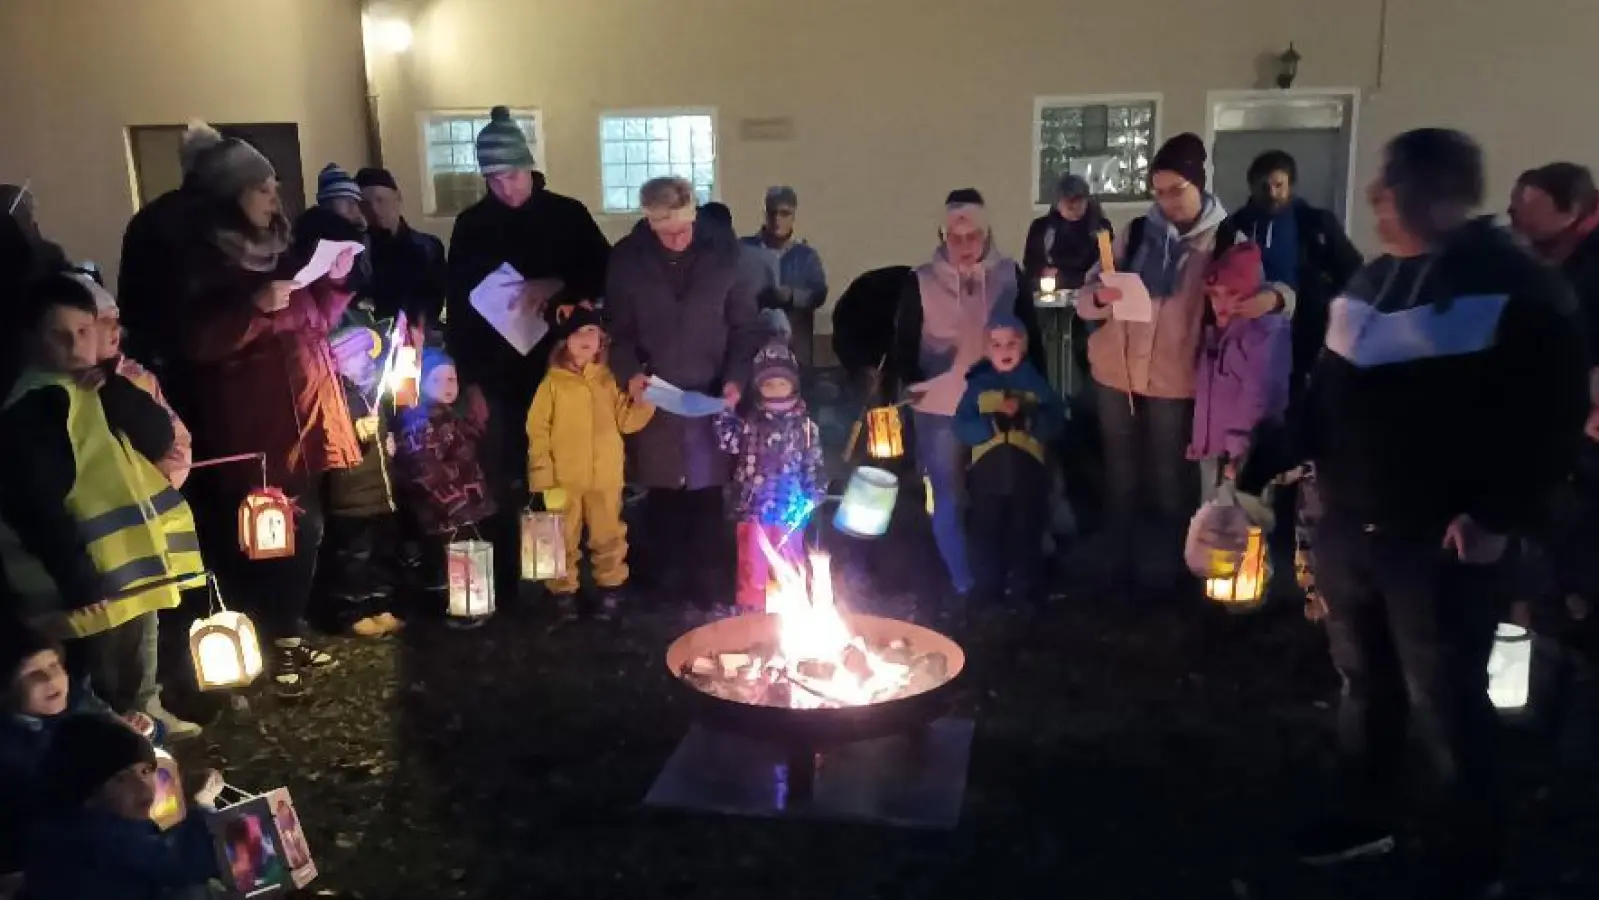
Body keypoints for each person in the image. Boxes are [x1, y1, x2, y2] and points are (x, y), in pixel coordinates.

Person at [1241, 129, 1588, 898]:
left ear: (1434, 194)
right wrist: (1258, 467)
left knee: (1445, 694)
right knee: (1363, 680)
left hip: (1439, 541)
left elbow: (1550, 416)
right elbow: (1327, 398)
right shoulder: (1372, 280)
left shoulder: (1513, 288)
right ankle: (1366, 816)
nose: (1372, 198)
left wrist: (1496, 514)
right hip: (1351, 528)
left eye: (1386, 185)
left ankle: (1472, 854)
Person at [174, 124, 359, 696]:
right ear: (233, 197)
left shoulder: (283, 251)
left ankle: (287, 630)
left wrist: (334, 282)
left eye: (274, 187)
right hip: (254, 419)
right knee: (266, 531)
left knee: (309, 526)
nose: (275, 198)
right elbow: (196, 343)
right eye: (261, 189)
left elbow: (314, 322)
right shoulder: (204, 260)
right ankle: (266, 634)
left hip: (307, 407)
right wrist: (253, 309)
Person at [1076, 133, 1293, 596]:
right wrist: (1098, 296)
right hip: (1117, 374)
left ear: (1200, 184)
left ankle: (1169, 577)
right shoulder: (1136, 232)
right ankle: (1121, 572)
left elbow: (1282, 290)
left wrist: (1271, 299)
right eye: (1159, 192)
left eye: (1177, 190)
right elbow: (1088, 294)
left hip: (1178, 382)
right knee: (1120, 477)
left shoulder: (1229, 238)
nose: (1167, 202)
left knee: (1169, 482)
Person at [0, 276, 204, 725]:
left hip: (126, 572)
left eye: (84, 331)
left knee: (136, 668)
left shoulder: (91, 387)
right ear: (33, 340)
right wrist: (77, 578)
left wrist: (111, 385)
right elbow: (36, 507)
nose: (76, 345)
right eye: (60, 334)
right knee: (100, 688)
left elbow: (158, 435)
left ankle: (146, 723)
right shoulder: (38, 405)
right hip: (83, 587)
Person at [446, 106, 611, 598]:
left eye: (512, 176)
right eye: (493, 179)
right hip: (497, 374)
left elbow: (603, 274)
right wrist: (470, 380)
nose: (505, 189)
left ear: (530, 168)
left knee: (556, 475)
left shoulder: (567, 215)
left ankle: (557, 575)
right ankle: (508, 580)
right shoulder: (472, 225)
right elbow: (459, 304)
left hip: (558, 371)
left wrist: (555, 284)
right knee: (502, 473)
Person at [607, 177, 763, 605]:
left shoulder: (726, 256)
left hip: (711, 392)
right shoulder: (627, 261)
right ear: (650, 223)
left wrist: (735, 378)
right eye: (666, 232)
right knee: (661, 493)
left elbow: (745, 327)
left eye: (682, 229)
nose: (676, 240)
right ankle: (660, 586)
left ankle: (709, 584)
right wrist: (629, 374)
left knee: (708, 493)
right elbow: (617, 332)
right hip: (655, 395)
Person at [891, 188, 1043, 600]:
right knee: (948, 492)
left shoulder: (1009, 275)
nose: (964, 246)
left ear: (986, 233)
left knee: (996, 490)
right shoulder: (920, 281)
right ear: (942, 236)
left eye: (972, 236)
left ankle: (1002, 570)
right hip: (940, 407)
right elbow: (904, 346)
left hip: (998, 401)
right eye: (955, 238)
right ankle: (963, 579)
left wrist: (1037, 397)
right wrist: (913, 384)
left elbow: (1033, 338)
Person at [525, 300, 655, 621]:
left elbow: (626, 421)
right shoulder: (552, 384)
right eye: (579, 332)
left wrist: (644, 402)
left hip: (605, 476)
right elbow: (537, 431)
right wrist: (541, 474)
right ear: (565, 341)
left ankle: (610, 589)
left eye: (593, 332)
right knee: (561, 535)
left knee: (608, 532)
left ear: (602, 341)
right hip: (561, 479)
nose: (586, 338)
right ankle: (562, 593)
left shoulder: (607, 380)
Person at [0, 623, 154, 885]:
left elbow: (125, 743)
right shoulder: (11, 751)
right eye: (32, 674)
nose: (50, 679)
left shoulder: (80, 702)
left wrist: (142, 729)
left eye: (53, 666)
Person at [27, 714, 220, 900]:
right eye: (121, 779)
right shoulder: (101, 837)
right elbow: (189, 864)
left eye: (145, 771)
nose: (143, 786)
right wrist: (204, 806)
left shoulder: (90, 820)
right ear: (88, 791)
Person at [1215, 150, 1363, 390]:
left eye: (1278, 185)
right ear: (1252, 187)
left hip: (1303, 340)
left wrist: (1323, 304)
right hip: (1246, 341)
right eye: (1264, 186)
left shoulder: (1316, 223)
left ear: (1290, 185)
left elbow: (1352, 273)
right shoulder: (1233, 227)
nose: (1272, 193)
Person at [952, 311, 1065, 606]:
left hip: (1027, 474)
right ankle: (988, 589)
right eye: (997, 345)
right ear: (987, 350)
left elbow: (1055, 419)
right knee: (985, 531)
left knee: (1026, 530)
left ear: (1023, 347)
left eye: (1011, 344)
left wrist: (1030, 420)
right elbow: (961, 425)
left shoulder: (1035, 383)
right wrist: (991, 424)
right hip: (987, 475)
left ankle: (1026, 589)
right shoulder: (977, 385)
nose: (1005, 351)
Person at [715, 341, 826, 611]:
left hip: (791, 510)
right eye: (768, 384)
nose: (775, 390)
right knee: (753, 563)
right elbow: (727, 441)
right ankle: (751, 611)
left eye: (781, 383)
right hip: (753, 509)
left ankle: (788, 609)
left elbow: (813, 462)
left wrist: (815, 490)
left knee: (789, 561)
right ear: (758, 387)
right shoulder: (750, 423)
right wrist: (724, 410)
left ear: (793, 385)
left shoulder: (806, 427)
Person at [315, 325, 403, 637]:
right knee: (354, 557)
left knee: (380, 552)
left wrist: (387, 440)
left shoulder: (372, 395)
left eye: (368, 353)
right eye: (357, 355)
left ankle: (379, 605)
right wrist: (354, 434)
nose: (366, 360)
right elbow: (326, 441)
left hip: (380, 492)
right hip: (351, 496)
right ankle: (351, 611)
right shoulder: (335, 398)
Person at [1186, 242, 1291, 504]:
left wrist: (1238, 449)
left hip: (1243, 453)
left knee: (1244, 524)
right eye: (1214, 294)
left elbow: (1260, 393)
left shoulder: (1264, 333)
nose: (1221, 303)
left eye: (1232, 293)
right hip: (1212, 450)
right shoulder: (1214, 335)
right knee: (1212, 523)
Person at [392, 349, 497, 610]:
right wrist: (448, 494)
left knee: (461, 550)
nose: (447, 386)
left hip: (463, 500)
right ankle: (440, 600)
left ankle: (466, 599)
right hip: (441, 505)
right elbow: (423, 465)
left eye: (451, 379)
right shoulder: (421, 422)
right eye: (437, 380)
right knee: (442, 555)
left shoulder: (451, 416)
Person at [114, 122, 218, 371]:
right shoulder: (222, 217)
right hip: (215, 356)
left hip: (158, 357)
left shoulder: (148, 217)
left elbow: (129, 299)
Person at [742, 187, 828, 367]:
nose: (777, 220)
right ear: (765, 214)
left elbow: (819, 293)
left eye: (784, 213)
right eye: (772, 213)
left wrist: (792, 296)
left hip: (796, 347)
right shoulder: (744, 250)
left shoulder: (805, 256)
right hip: (754, 345)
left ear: (793, 216)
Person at [357, 166, 447, 330]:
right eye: (365, 204)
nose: (374, 210)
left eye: (380, 200)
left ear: (397, 198)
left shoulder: (428, 247)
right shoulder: (358, 252)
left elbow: (434, 302)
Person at [1023, 173, 1112, 292]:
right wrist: (1042, 271)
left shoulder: (1100, 228)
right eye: (1068, 202)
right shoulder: (1042, 227)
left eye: (1079, 201)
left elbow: (1108, 267)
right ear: (1057, 203)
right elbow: (1030, 264)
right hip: (1049, 293)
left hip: (1088, 292)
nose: (1074, 206)